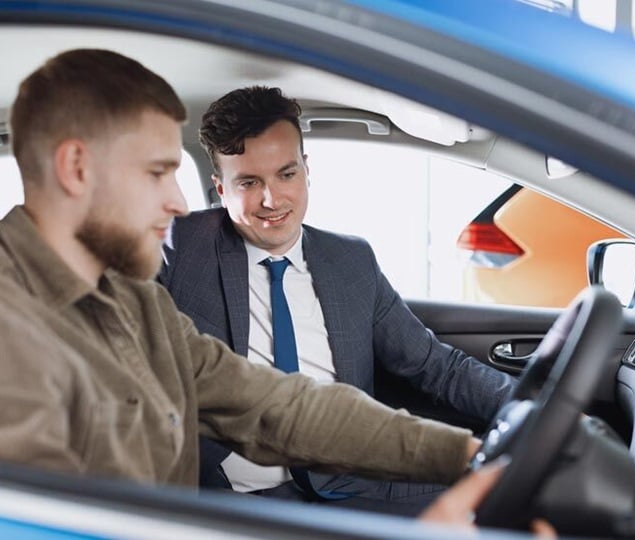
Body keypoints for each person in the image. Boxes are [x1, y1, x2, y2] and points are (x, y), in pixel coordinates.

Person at [0, 48, 547, 534]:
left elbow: (278, 406)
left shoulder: (134, 307)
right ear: (76, 168)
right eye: (160, 171)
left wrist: (468, 454)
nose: (182, 203)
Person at [159, 86, 516, 514]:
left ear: (307, 170)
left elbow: (434, 366)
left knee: (513, 502)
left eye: (286, 174)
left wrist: (529, 407)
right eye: (249, 183)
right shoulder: (180, 247)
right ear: (220, 187)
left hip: (350, 484)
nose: (272, 200)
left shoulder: (352, 261)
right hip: (234, 500)